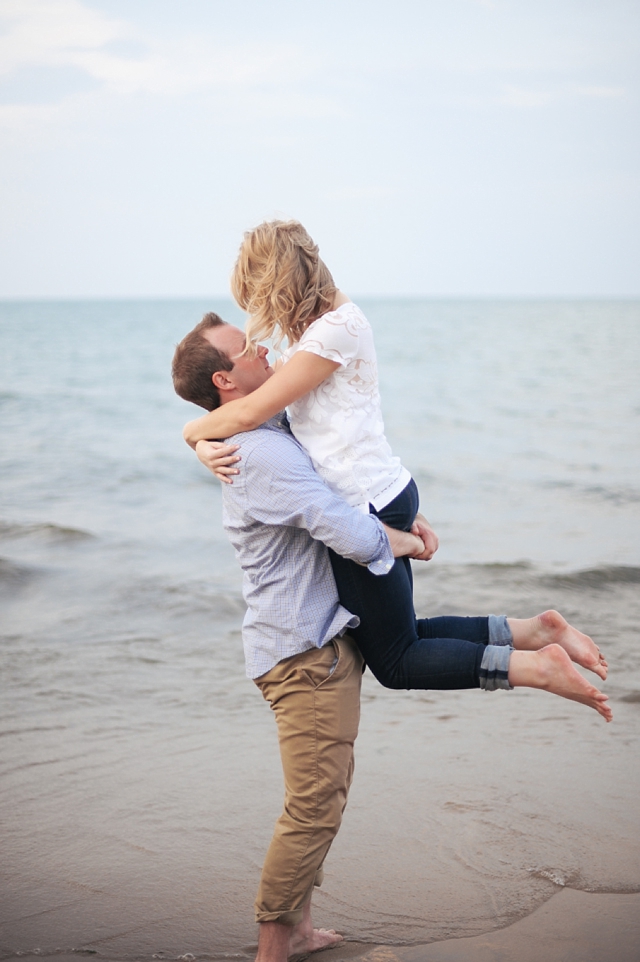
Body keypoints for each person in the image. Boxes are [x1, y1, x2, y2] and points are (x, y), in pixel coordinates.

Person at [171, 314, 611, 962]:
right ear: (225, 379)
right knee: (315, 803)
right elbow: (336, 523)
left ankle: (297, 927)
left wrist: (194, 436)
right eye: (246, 347)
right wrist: (401, 539)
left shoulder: (267, 428)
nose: (263, 347)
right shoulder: (258, 451)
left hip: (322, 634)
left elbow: (343, 479)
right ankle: (273, 947)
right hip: (301, 654)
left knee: (349, 745)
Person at [181, 221, 609, 699]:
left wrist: (192, 431)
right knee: (405, 637)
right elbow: (269, 416)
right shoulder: (322, 331)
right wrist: (200, 445)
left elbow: (255, 410)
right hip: (378, 493)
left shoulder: (334, 332)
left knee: (396, 662)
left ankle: (535, 668)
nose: (259, 311)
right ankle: (536, 633)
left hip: (366, 503)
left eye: (258, 295)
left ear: (278, 282)